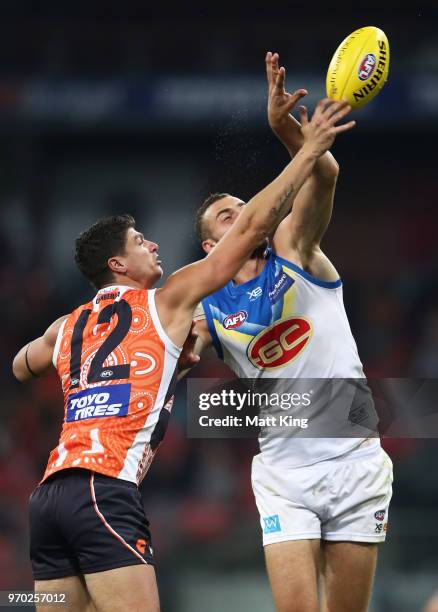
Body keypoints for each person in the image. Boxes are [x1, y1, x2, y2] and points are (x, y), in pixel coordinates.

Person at [12, 82, 354, 611]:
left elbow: (19, 366)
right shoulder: (170, 301)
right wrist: (305, 148)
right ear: (118, 266)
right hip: (105, 490)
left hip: (49, 498)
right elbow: (255, 226)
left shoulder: (67, 325)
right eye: (139, 243)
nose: (152, 244)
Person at [181, 52, 393, 612]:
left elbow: (324, 173)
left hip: (354, 459)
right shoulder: (206, 305)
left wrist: (283, 127)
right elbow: (187, 346)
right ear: (210, 247)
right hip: (284, 472)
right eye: (227, 216)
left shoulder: (295, 250)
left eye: (242, 206)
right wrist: (185, 351)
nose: (243, 213)